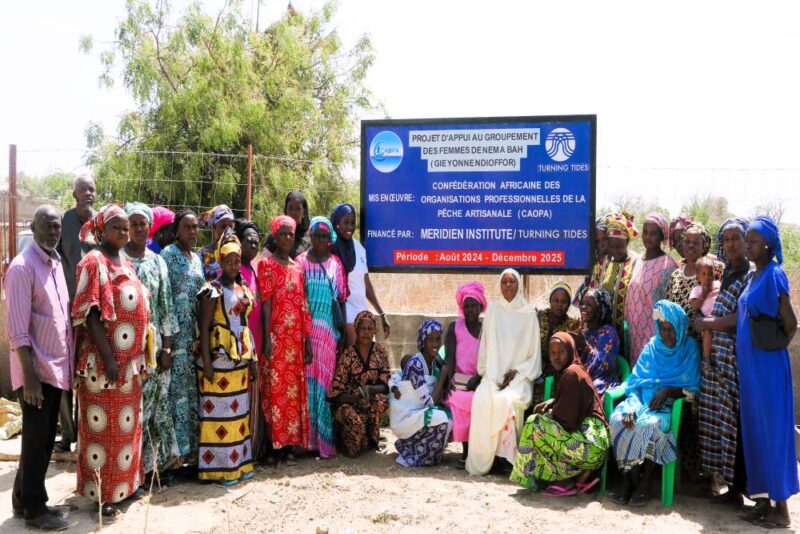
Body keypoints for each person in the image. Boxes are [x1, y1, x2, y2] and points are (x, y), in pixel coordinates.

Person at [72, 205, 149, 518]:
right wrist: (109, 358)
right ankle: (103, 496)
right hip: (103, 366)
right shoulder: (93, 261)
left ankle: (124, 487)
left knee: (127, 429)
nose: (123, 232)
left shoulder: (126, 261)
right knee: (103, 433)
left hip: (129, 364)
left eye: (125, 227)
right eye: (116, 227)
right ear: (101, 230)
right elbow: (89, 315)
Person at [6, 205, 74, 530]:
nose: (52, 231)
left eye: (57, 226)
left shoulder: (56, 263)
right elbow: (17, 330)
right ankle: (35, 510)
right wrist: (29, 378)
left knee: (42, 438)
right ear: (33, 227)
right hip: (35, 373)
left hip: (55, 368)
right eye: (46, 226)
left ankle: (22, 499)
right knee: (37, 442)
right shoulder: (22, 268)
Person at [734, 216, 797, 528]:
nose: (748, 245)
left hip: (769, 370)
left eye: (753, 240)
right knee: (754, 432)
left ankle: (782, 510)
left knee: (772, 433)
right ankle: (762, 501)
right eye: (747, 239)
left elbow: (791, 323)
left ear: (768, 245)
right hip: (750, 371)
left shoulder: (774, 274)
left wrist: (772, 349)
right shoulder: (751, 276)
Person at [609, 300, 700, 507]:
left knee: (649, 425)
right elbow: (635, 382)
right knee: (620, 419)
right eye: (663, 329)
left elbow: (693, 387)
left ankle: (646, 482)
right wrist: (634, 405)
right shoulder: (652, 346)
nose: (667, 334)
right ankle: (628, 480)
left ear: (680, 327)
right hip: (639, 402)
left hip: (668, 407)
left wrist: (668, 391)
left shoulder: (689, 349)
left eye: (671, 329)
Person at [122, 203, 180, 481]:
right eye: (134, 223)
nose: (139, 228)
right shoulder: (118, 261)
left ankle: (157, 467)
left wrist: (167, 347)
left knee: (158, 407)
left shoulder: (158, 262)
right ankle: (133, 472)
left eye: (143, 223)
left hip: (153, 348)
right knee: (134, 410)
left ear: (150, 227)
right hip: (126, 347)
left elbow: (166, 306)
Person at [510, 332, 609, 495]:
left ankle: (563, 479)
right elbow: (572, 405)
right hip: (590, 443)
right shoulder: (570, 371)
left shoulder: (571, 373)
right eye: (553, 353)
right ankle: (576, 478)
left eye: (561, 352)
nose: (556, 357)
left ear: (569, 351)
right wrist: (555, 402)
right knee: (541, 428)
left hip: (591, 445)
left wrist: (550, 411)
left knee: (534, 423)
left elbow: (567, 422)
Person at [694, 217, 750, 500]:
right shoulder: (723, 273)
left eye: (736, 238)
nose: (730, 244)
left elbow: (739, 319)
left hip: (733, 359)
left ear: (746, 242)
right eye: (726, 239)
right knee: (713, 419)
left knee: (731, 420)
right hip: (712, 358)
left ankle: (737, 487)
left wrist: (707, 324)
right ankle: (719, 482)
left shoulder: (750, 275)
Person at [466, 269, 540, 476]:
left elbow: (534, 355)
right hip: (494, 374)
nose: (508, 285)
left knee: (508, 401)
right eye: (505, 282)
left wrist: (517, 372)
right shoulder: (493, 310)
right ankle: (490, 460)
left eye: (512, 282)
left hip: (519, 377)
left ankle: (506, 458)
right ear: (500, 284)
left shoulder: (529, 313)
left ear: (518, 286)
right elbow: (486, 346)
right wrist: (486, 373)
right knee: (482, 399)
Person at [196, 231, 256, 485]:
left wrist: (251, 362)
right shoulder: (212, 290)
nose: (233, 265)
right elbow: (204, 327)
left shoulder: (242, 287)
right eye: (228, 260)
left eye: (236, 260)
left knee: (238, 415)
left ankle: (240, 463)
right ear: (220, 262)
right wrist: (207, 364)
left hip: (239, 361)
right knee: (219, 414)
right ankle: (221, 469)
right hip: (219, 360)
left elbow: (245, 326)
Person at [259, 215, 312, 465]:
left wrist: (307, 341)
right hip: (277, 338)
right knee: (275, 392)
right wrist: (269, 338)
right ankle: (274, 448)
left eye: (291, 233)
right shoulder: (266, 265)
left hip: (295, 340)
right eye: (283, 233)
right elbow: (266, 302)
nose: (288, 238)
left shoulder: (298, 267)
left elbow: (303, 306)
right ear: (274, 236)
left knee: (292, 393)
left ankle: (290, 446)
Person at [297, 217, 348, 459]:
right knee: (306, 387)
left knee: (324, 387)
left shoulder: (335, 264)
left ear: (330, 240)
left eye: (325, 237)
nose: (320, 240)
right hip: (304, 335)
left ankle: (324, 442)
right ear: (311, 235)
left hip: (328, 337)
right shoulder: (300, 263)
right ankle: (305, 443)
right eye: (317, 236)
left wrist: (343, 335)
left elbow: (341, 300)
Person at [54, 175, 95, 453]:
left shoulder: (100, 223)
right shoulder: (64, 222)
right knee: (65, 371)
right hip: (66, 308)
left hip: (93, 311)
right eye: (83, 189)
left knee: (90, 370)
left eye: (91, 189)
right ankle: (68, 433)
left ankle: (88, 432)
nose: (88, 193)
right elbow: (55, 261)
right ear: (74, 194)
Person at [160, 210, 205, 466]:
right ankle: (173, 458)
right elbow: (164, 298)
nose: (192, 231)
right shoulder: (168, 255)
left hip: (193, 341)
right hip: (174, 339)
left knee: (190, 397)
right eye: (187, 227)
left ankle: (189, 453)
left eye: (195, 227)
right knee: (175, 396)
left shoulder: (196, 259)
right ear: (177, 230)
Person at [433, 281, 486, 468]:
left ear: (481, 306)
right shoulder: (455, 328)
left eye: (474, 306)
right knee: (461, 399)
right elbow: (449, 360)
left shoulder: (487, 330)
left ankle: (480, 454)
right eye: (467, 306)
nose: (470, 310)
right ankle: (466, 452)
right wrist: (448, 381)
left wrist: (479, 378)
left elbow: (490, 360)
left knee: (483, 400)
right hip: (459, 380)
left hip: (481, 379)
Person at [389, 320, 452, 467]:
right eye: (431, 339)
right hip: (405, 416)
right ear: (423, 342)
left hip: (417, 412)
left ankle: (420, 452)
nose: (435, 344)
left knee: (448, 419)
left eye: (438, 339)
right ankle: (410, 452)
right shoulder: (416, 364)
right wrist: (442, 377)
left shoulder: (432, 363)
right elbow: (429, 403)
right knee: (442, 419)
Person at [328, 311, 390, 457]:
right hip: (350, 403)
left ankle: (372, 439)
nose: (366, 333)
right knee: (355, 445)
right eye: (363, 328)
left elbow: (385, 385)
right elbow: (335, 393)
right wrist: (356, 399)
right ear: (356, 330)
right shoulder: (348, 355)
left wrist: (369, 390)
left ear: (374, 331)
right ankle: (349, 440)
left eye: (370, 329)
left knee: (381, 401)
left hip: (370, 400)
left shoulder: (380, 352)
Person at [330, 203, 390, 347]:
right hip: (346, 316)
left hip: (363, 314)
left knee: (369, 362)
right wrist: (342, 323)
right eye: (346, 222)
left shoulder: (359, 248)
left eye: (352, 223)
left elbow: (366, 285)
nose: (350, 227)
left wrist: (381, 313)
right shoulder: (331, 250)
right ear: (336, 223)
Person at [624, 212, 678, 364]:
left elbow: (666, 305)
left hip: (652, 334)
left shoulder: (667, 265)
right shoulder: (637, 261)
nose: (648, 237)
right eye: (645, 232)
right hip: (633, 333)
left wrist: (659, 333)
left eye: (653, 233)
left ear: (662, 237)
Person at [234, 219, 267, 460]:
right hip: (239, 343)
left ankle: (252, 449)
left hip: (256, 341)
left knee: (254, 395)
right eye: (248, 240)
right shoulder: (235, 270)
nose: (253, 244)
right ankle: (239, 450)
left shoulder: (255, 269)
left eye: (257, 240)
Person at [665, 223, 724, 339]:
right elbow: (667, 308)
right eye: (687, 241)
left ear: (704, 246)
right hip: (682, 344)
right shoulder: (675, 275)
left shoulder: (716, 268)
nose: (690, 245)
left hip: (709, 341)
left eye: (696, 242)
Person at [588, 212, 639, 341]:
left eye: (619, 246)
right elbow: (592, 297)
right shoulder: (601, 265)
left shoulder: (636, 263)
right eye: (611, 246)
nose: (615, 251)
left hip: (629, 333)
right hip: (603, 335)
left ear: (627, 242)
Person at [534, 282, 580, 404]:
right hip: (534, 365)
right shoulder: (538, 316)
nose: (559, 305)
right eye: (556, 300)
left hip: (557, 370)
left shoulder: (572, 324)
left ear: (569, 305)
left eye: (564, 302)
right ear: (550, 301)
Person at [579, 288, 620, 395]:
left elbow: (601, 366)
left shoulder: (609, 333)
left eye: (589, 305)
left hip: (602, 380)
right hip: (582, 377)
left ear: (599, 310)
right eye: (582, 303)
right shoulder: (583, 332)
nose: (583, 307)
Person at [572, 215, 610, 307]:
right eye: (598, 241)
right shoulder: (592, 258)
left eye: (605, 239)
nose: (602, 244)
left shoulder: (615, 259)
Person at [689, 256, 721, 363]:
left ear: (714, 274)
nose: (707, 277)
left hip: (720, 316)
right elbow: (694, 306)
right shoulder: (697, 290)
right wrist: (704, 293)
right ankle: (706, 357)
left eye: (710, 274)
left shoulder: (718, 284)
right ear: (697, 276)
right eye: (703, 274)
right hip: (706, 319)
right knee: (707, 332)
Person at [264, 191, 311, 259]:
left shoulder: (310, 239)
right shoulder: (275, 236)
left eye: (298, 209)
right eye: (290, 208)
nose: (293, 212)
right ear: (286, 210)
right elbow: (264, 262)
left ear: (303, 212)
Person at [199, 204, 235, 281]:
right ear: (214, 227)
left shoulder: (236, 252)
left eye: (231, 226)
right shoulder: (202, 255)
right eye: (223, 227)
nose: (228, 230)